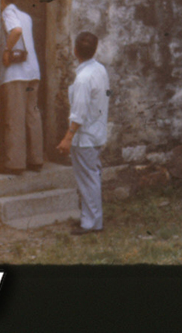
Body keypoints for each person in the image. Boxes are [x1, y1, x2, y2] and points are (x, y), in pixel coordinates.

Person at [57, 31, 109, 234]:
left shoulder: (83, 79)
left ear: (75, 50)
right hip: (97, 131)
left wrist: (67, 138)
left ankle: (92, 223)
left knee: (88, 180)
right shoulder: (100, 70)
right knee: (91, 177)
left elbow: (78, 114)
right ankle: (91, 219)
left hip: (85, 136)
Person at [0, 0, 43, 174]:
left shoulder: (8, 12)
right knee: (32, 115)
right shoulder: (26, 15)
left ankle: (15, 163)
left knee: (14, 118)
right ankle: (36, 160)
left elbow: (15, 31)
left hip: (16, 74)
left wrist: (7, 50)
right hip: (32, 72)